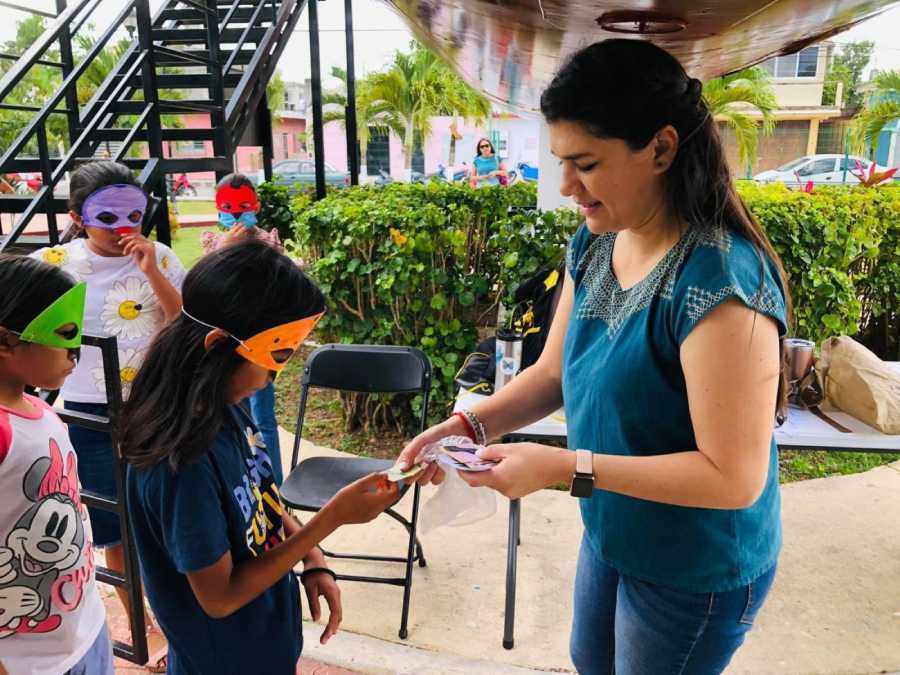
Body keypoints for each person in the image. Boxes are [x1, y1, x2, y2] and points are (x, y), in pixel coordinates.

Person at [400, 39, 791, 675]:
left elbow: (733, 477)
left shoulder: (720, 283)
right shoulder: (595, 241)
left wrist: (562, 468)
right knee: (590, 661)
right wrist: (466, 426)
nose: (565, 187)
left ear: (661, 148)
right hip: (613, 531)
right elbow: (553, 372)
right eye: (560, 162)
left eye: (584, 163)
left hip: (695, 565)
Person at [120, 241, 400, 674]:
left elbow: (261, 496)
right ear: (216, 346)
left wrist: (313, 558)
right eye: (276, 357)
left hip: (263, 639)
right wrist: (332, 517)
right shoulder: (181, 462)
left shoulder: (224, 405)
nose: (273, 377)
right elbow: (220, 597)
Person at [30, 160, 186, 671]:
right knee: (114, 531)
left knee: (161, 521)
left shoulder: (158, 255)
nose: (124, 229)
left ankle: (170, 617)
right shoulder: (53, 264)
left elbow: (185, 324)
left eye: (135, 215)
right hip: (85, 418)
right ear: (77, 216)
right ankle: (140, 624)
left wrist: (149, 270)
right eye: (108, 218)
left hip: (152, 412)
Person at [0, 255, 113, 675]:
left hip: (81, 627)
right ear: (6, 342)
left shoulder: (38, 409)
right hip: (27, 662)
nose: (75, 352)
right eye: (65, 335)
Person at [200, 172, 285, 483]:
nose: (236, 213)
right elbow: (207, 281)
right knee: (228, 414)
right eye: (228, 206)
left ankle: (273, 485)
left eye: (244, 204)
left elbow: (277, 284)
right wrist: (227, 245)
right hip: (223, 341)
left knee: (263, 417)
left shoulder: (268, 241)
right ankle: (240, 480)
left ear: (257, 205)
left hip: (261, 339)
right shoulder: (212, 242)